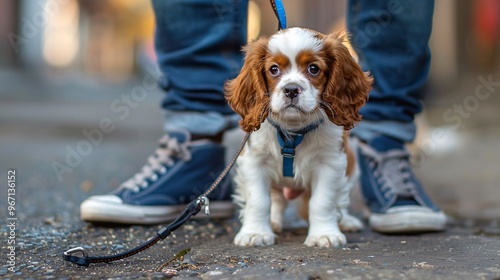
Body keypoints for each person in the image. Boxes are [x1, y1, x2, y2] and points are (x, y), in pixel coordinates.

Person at [80, 0, 446, 233]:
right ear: (261, 77)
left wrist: (324, 219)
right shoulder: (262, 85)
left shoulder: (332, 95)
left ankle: (385, 143)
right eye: (275, 72)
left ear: (334, 76)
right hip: (269, 168)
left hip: (324, 148)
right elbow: (253, 164)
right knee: (256, 162)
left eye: (313, 70)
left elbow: (331, 162)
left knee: (332, 161)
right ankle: (195, 141)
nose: (292, 84)